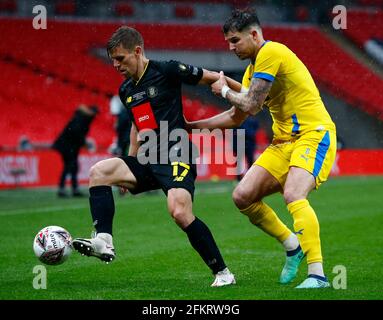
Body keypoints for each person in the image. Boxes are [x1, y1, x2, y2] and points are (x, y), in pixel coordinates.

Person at [72, 26, 240, 287]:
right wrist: (128, 165)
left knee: (179, 212)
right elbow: (137, 127)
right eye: (112, 60)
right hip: (148, 156)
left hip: (176, 153)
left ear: (137, 51)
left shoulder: (166, 70)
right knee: (99, 172)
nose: (116, 65)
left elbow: (213, 77)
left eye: (120, 59)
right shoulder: (127, 89)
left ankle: (223, 273)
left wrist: (249, 93)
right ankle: (104, 240)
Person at [186, 8, 337, 289]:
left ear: (254, 34)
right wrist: (192, 126)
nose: (231, 48)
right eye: (228, 42)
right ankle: (292, 244)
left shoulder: (272, 52)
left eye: (235, 40)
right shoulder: (253, 69)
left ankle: (318, 274)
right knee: (243, 196)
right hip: (284, 142)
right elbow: (237, 115)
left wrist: (225, 91)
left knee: (294, 193)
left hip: (313, 135)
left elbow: (251, 104)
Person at [52, 104, 99, 198]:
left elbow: (76, 133)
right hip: (68, 146)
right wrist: (84, 143)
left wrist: (82, 142)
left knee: (71, 167)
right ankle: (68, 189)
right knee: (70, 166)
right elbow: (76, 133)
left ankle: (68, 188)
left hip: (68, 145)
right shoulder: (82, 119)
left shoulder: (81, 117)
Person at [232, 116, 259, 180]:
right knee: (238, 161)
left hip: (249, 143)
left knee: (250, 161)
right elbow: (233, 130)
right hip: (239, 142)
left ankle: (250, 178)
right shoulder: (237, 119)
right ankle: (238, 179)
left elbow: (255, 129)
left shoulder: (252, 120)